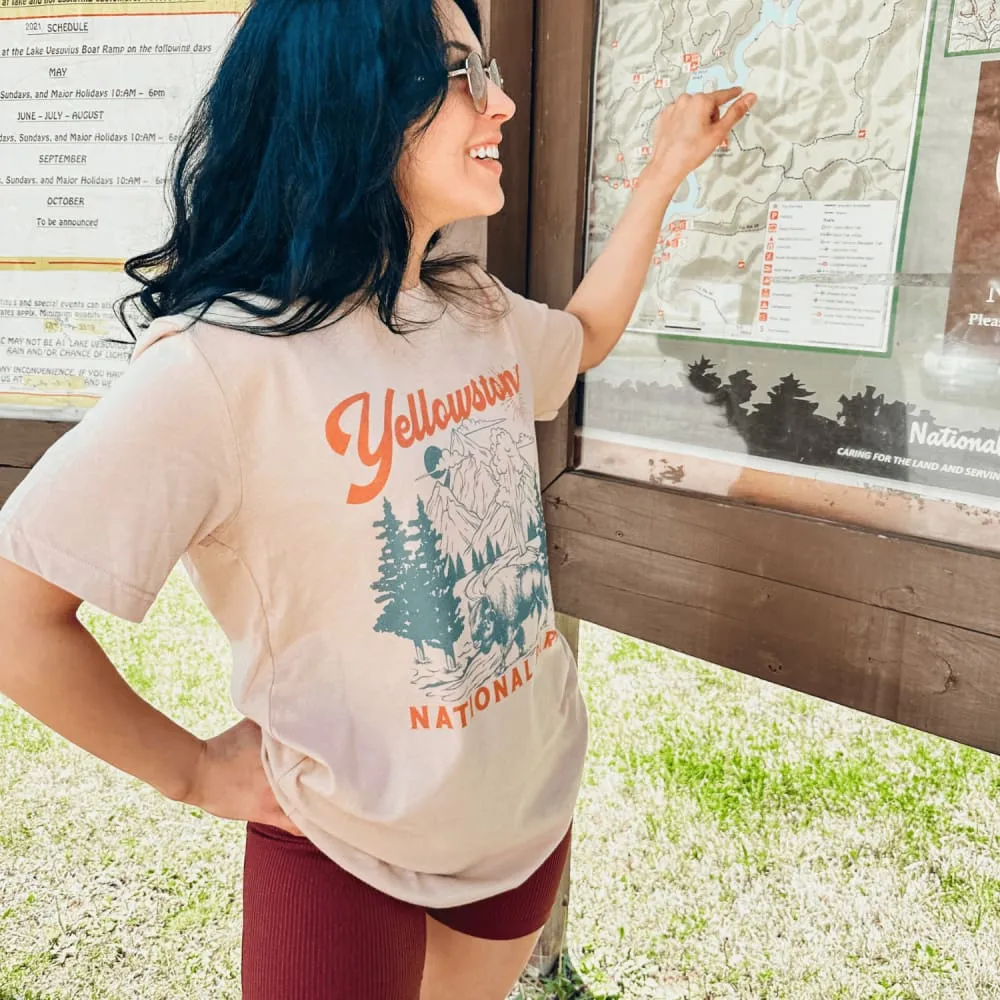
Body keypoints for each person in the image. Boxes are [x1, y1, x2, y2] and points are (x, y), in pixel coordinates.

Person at [0, 1, 755, 997]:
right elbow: (18, 616)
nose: (506, 102)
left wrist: (663, 170)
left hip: (522, 807)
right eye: (462, 73)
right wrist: (188, 771)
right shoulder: (221, 366)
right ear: (348, 97)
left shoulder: (472, 309)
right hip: (339, 841)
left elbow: (581, 337)